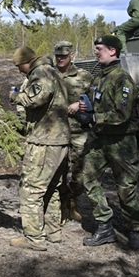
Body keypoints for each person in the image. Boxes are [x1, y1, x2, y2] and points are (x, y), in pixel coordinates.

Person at [79, 35, 139, 250]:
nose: (96, 52)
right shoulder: (99, 78)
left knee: (126, 187)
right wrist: (83, 109)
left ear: (113, 51)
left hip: (121, 142)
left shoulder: (122, 79)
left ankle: (134, 228)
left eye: (99, 49)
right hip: (98, 140)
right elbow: (92, 102)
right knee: (88, 178)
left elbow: (122, 114)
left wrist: (95, 118)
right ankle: (104, 226)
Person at [8, 46, 70, 251]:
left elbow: (36, 98)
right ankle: (53, 232)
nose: (19, 70)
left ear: (27, 61)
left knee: (31, 189)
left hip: (45, 140)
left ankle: (34, 238)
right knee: (51, 187)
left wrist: (16, 97)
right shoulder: (53, 72)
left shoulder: (41, 73)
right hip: (59, 139)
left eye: (19, 65)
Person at [53, 41, 94, 224]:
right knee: (58, 172)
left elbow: (96, 100)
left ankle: (73, 198)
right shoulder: (49, 75)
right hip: (55, 132)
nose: (60, 58)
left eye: (64, 55)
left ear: (72, 55)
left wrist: (82, 104)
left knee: (82, 173)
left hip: (78, 131)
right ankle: (61, 207)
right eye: (58, 55)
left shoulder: (84, 76)